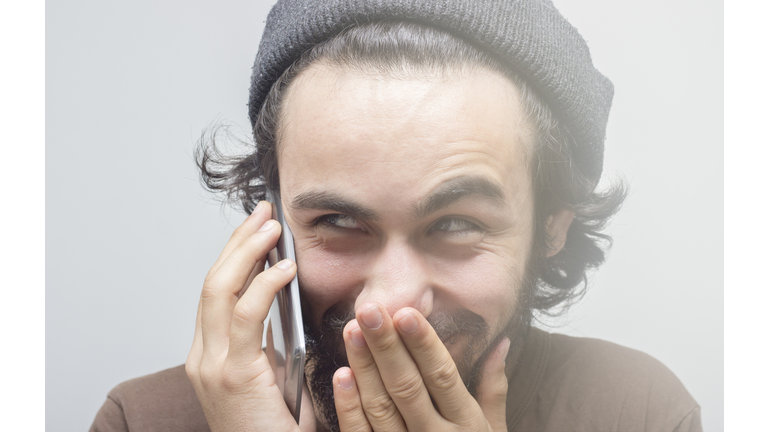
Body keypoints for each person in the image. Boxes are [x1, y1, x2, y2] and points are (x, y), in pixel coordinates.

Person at [90, 1, 701, 431]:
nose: (391, 304)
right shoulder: (142, 419)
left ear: (552, 226)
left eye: (456, 225)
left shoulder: (637, 411)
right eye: (337, 222)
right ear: (268, 224)